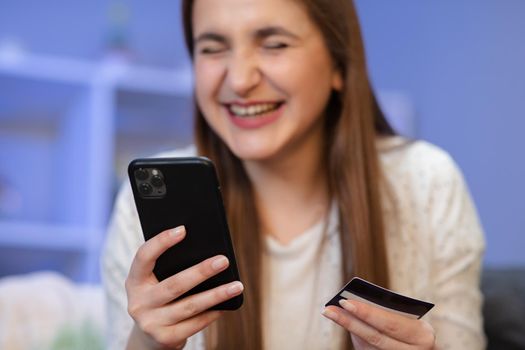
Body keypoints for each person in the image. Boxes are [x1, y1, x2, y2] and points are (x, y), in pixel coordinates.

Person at [101, 0, 486, 349]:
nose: (238, 80)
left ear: (339, 64)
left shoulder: (427, 181)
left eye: (274, 44)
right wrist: (148, 344)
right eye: (212, 48)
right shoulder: (139, 207)